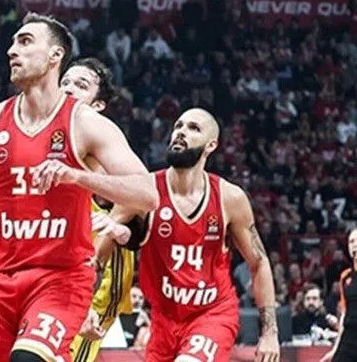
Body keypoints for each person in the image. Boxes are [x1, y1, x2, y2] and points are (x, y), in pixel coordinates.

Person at [0, 14, 159, 362]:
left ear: (55, 56)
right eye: (12, 43)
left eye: (24, 42)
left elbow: (148, 195)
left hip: (61, 282)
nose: (11, 51)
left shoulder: (86, 123)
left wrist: (77, 177)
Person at [0, 57, 138, 362]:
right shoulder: (42, 144)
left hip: (92, 283)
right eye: (65, 82)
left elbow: (136, 205)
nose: (68, 89)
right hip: (33, 280)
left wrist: (91, 301)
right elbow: (28, 216)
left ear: (98, 106)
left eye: (81, 85)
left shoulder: (98, 153)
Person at [109, 108, 281, 362]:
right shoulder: (145, 192)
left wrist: (270, 333)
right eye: (178, 126)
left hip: (212, 315)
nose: (181, 132)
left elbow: (259, 262)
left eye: (193, 128)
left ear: (211, 145)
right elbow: (100, 243)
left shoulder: (229, 198)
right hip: (163, 320)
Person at [320, 226, 357, 362]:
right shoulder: (345, 277)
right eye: (351, 241)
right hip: (349, 337)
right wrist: (335, 349)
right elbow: (344, 313)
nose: (354, 244)